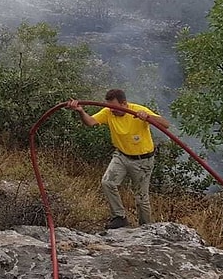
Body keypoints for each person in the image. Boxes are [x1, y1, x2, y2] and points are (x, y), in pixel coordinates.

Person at [66, 89, 171, 229]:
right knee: (107, 182)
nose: (111, 110)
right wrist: (80, 111)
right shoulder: (108, 112)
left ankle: (145, 229)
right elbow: (90, 122)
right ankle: (119, 217)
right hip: (121, 156)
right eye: (109, 106)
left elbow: (165, 124)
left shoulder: (137, 110)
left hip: (142, 161)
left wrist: (147, 117)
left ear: (124, 104)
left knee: (141, 198)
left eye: (114, 107)